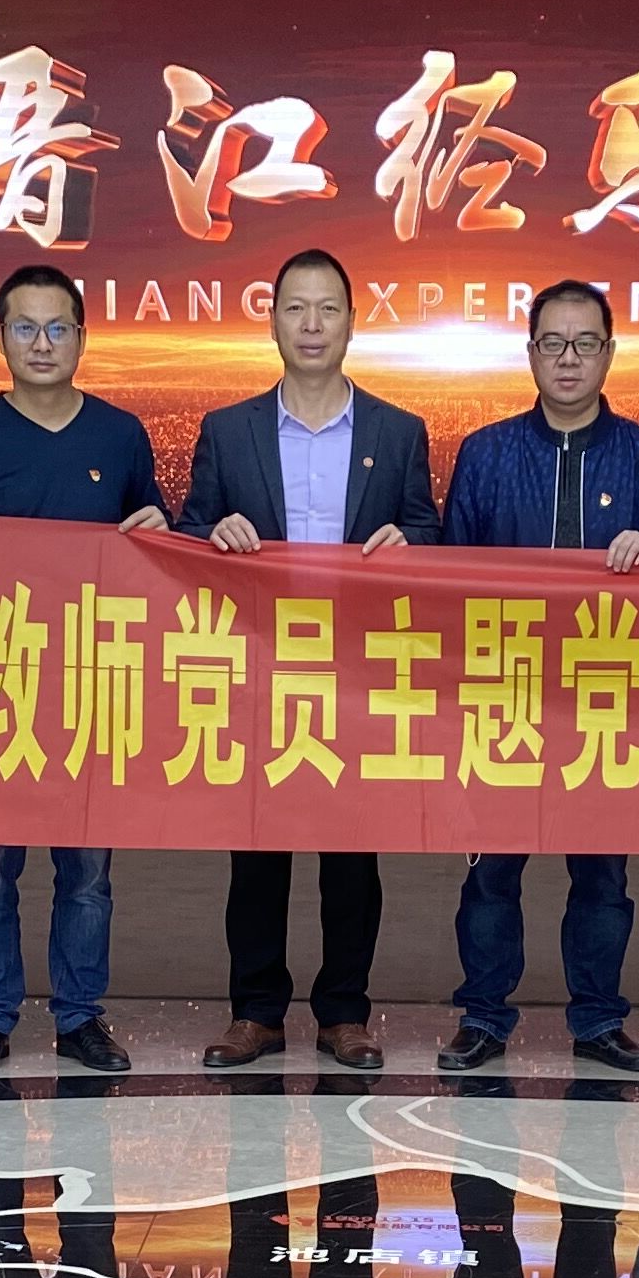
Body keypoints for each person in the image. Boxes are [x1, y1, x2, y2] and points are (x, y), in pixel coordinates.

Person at [177, 247, 438, 1073]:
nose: (312, 324)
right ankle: (255, 1012)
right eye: (296, 307)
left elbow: (429, 532)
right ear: (273, 321)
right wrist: (212, 533)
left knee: (352, 854)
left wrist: (410, 543)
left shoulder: (398, 432)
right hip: (261, 665)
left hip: (358, 668)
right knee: (256, 850)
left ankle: (344, 1013)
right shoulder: (229, 430)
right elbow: (188, 533)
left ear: (353, 322)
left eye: (328, 308)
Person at [435, 277, 639, 1075]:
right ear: (531, 353)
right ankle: (482, 1017)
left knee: (603, 877)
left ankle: (599, 1021)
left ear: (610, 353)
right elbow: (446, 577)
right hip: (505, 694)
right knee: (491, 876)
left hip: (608, 699)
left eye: (585, 343)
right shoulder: (486, 454)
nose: (569, 358)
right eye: (554, 343)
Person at [0, 261, 165, 1079]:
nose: (42, 343)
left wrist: (158, 527)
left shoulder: (120, 435)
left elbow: (152, 539)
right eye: (24, 327)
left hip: (93, 685)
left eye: (58, 327)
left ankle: (80, 1016)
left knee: (87, 875)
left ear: (82, 338)